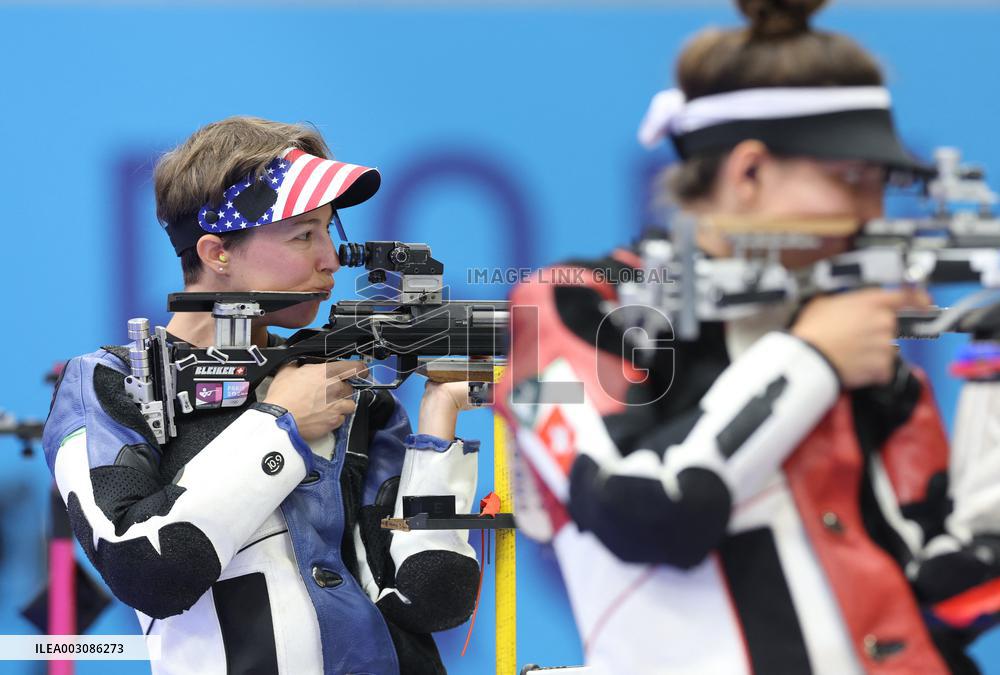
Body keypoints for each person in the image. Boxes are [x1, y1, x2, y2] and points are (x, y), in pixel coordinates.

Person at [497, 2, 1000, 673]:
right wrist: (811, 358)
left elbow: (951, 591)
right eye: (852, 178)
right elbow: (638, 510)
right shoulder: (573, 302)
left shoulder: (841, 321)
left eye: (883, 185)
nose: (873, 214)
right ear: (750, 171)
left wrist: (993, 387)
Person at [43, 116, 482, 674]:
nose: (329, 259)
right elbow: (149, 570)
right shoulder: (108, 384)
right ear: (216, 252)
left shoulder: (344, 384)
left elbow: (433, 598)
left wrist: (438, 428)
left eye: (329, 231)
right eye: (303, 235)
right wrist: (281, 425)